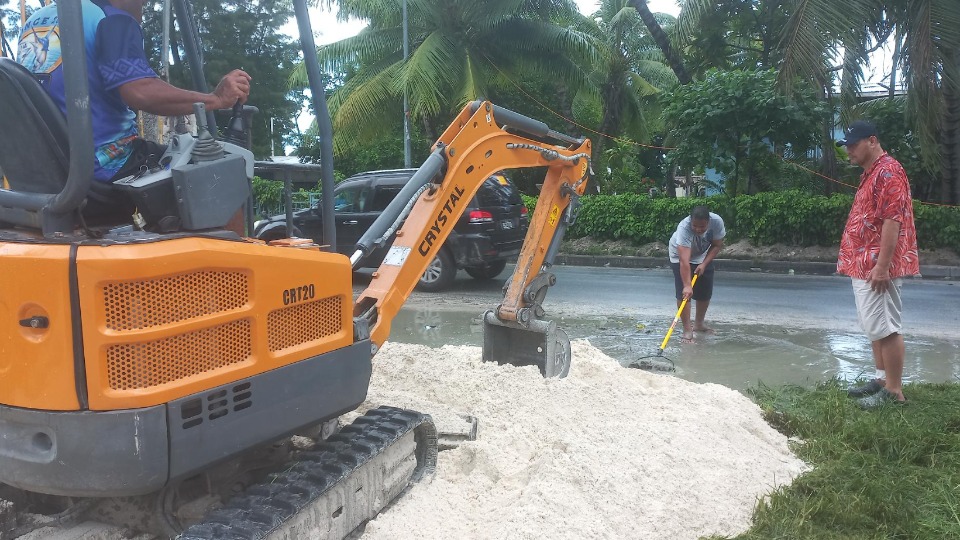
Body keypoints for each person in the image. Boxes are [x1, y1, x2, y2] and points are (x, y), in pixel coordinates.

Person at [17, 0, 250, 189]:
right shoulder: (110, 19)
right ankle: (232, 244)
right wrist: (215, 99)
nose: (143, 7)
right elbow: (139, 92)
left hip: (40, 168)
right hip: (103, 166)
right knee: (221, 170)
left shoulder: (36, 21)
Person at [836, 120, 920, 408]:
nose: (848, 151)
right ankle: (882, 379)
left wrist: (882, 266)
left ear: (872, 141)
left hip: (876, 265)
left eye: (853, 145)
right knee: (874, 326)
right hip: (863, 263)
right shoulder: (871, 172)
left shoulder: (889, 171)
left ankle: (894, 391)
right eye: (846, 146)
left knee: (886, 327)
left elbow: (892, 220)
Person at [667, 205, 726, 342]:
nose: (698, 229)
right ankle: (687, 329)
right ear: (690, 220)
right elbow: (684, 261)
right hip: (679, 256)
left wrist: (704, 264)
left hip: (702, 255)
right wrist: (687, 285)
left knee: (705, 291)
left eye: (702, 227)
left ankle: (699, 324)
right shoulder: (684, 228)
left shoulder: (716, 222)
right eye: (695, 226)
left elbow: (717, 245)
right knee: (684, 293)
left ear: (708, 222)